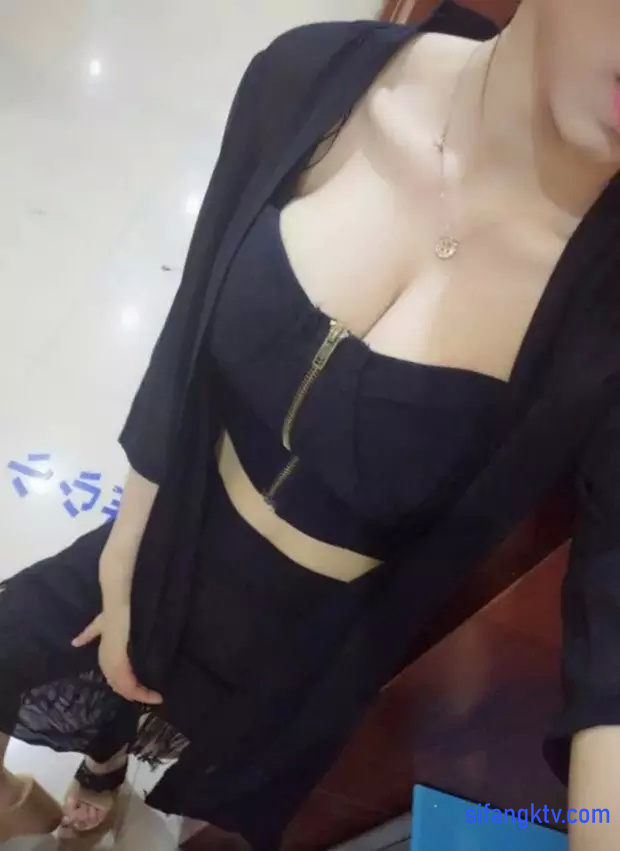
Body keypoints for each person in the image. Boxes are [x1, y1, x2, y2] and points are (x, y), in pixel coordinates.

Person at [1, 0, 620, 847]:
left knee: (207, 795)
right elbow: (189, 330)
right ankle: (81, 774)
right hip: (172, 536)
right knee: (60, 646)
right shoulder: (308, 80)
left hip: (302, 655)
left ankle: (110, 773)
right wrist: (128, 540)